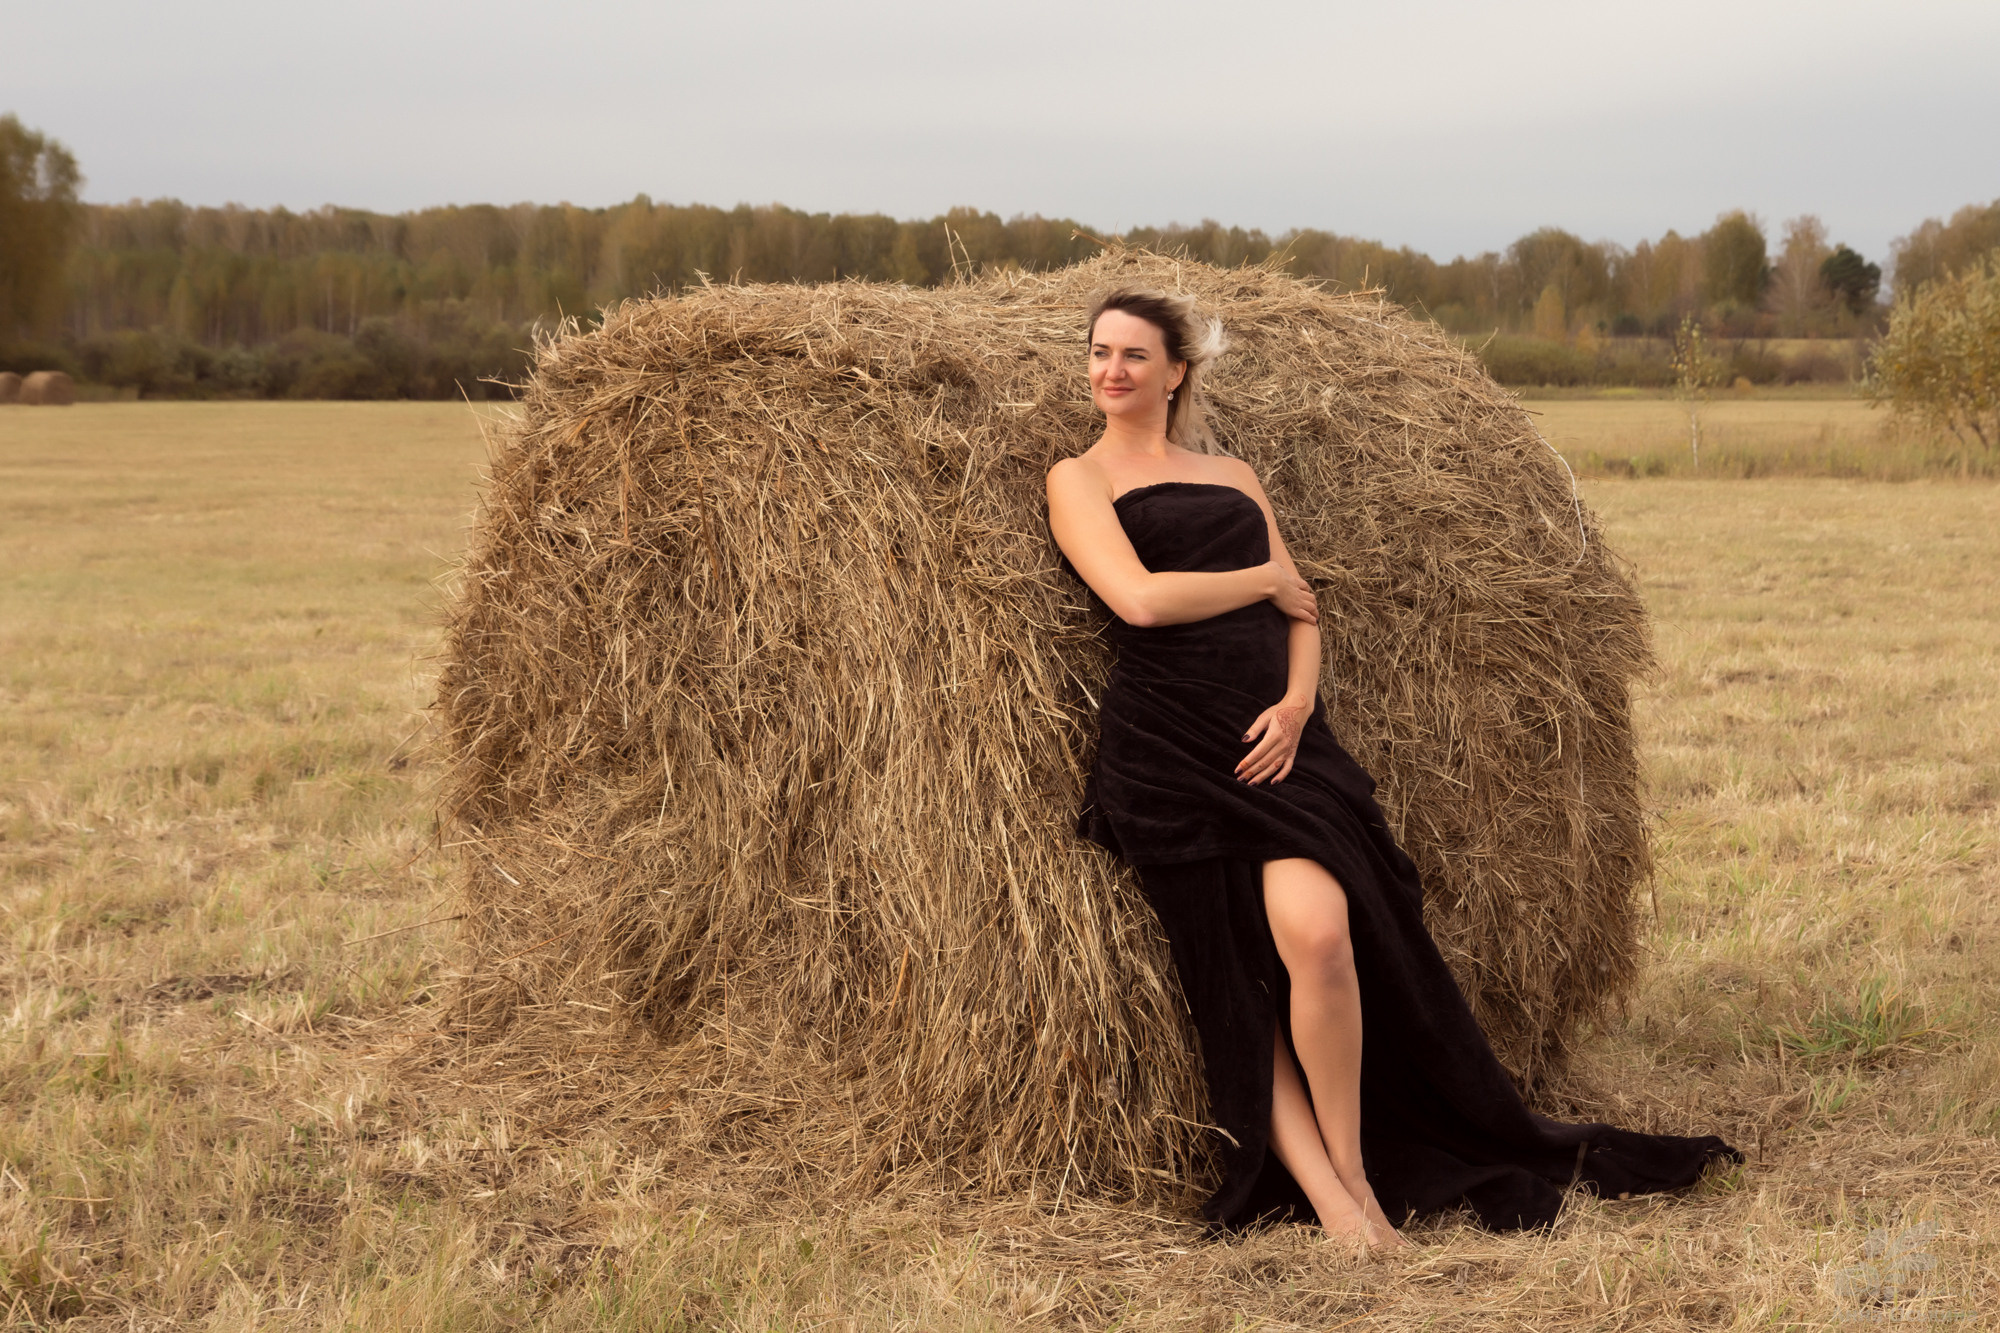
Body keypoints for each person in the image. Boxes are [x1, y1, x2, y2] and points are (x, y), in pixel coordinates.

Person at [1045, 288, 1739, 1251]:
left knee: (1319, 936)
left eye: (1131, 354)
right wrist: (1262, 580)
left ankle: (1360, 1170)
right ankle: (1337, 1207)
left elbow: (1305, 614)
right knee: (1231, 974)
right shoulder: (1076, 478)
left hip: (1275, 738)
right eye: (1097, 352)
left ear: (1176, 372)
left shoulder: (1235, 473)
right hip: (1166, 746)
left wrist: (1295, 707)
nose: (1110, 370)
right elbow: (1142, 601)